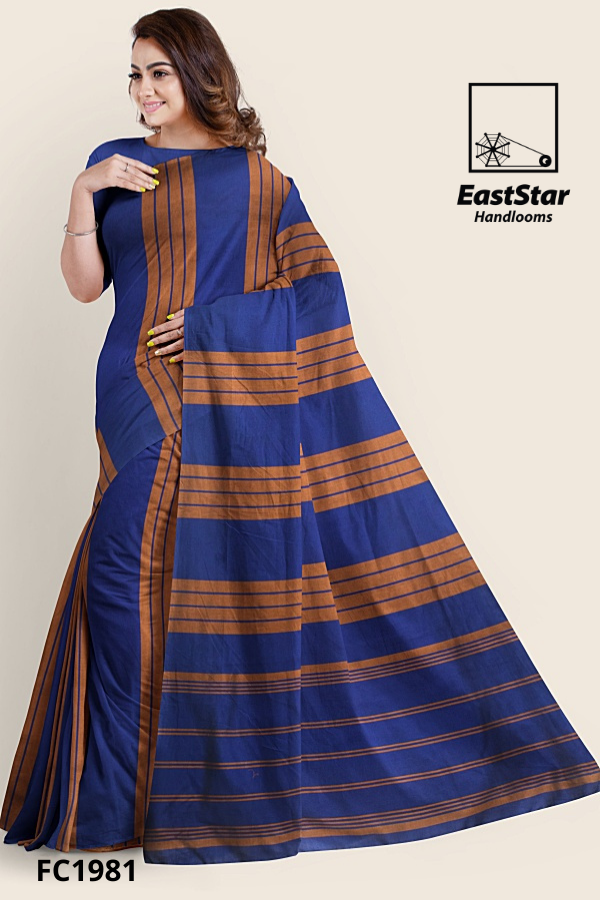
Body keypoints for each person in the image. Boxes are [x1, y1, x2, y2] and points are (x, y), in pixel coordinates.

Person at [1, 7, 599, 868]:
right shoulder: (114, 166)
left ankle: (146, 802)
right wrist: (80, 195)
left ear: (198, 73)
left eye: (159, 72)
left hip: (207, 397)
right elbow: (86, 287)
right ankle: (123, 801)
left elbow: (321, 298)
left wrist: (213, 326)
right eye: (134, 73)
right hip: (126, 391)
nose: (143, 90)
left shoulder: (259, 182)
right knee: (126, 583)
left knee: (143, 580)